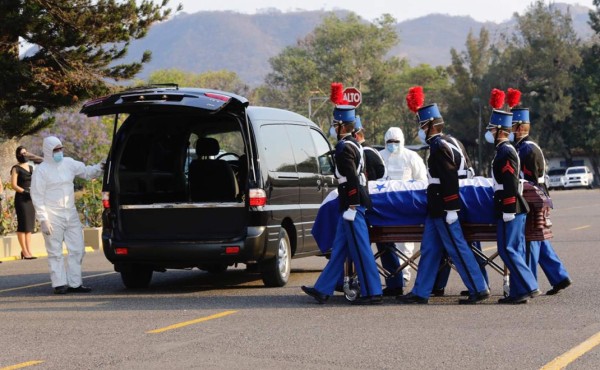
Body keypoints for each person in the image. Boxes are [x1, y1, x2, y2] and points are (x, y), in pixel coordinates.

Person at [396, 102, 490, 304]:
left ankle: (478, 287)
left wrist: (451, 208)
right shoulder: (452, 141)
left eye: (422, 126)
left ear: (430, 125)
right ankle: (421, 292)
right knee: (429, 248)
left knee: (456, 247)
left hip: (445, 206)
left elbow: (449, 179)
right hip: (437, 206)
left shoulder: (439, 147)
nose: (421, 131)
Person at [302, 105, 383, 305]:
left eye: (334, 125)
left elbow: (352, 179)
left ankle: (373, 292)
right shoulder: (355, 145)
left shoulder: (343, 147)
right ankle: (323, 288)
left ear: (340, 126)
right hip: (350, 202)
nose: (332, 128)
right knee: (339, 249)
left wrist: (352, 206)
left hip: (351, 204)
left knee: (361, 249)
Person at [30, 136, 104, 294]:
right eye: (55, 150)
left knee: (77, 249)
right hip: (52, 216)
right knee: (55, 251)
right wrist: (43, 219)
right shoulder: (41, 171)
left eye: (60, 149)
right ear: (48, 151)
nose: (59, 152)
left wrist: (101, 166)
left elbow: (87, 172)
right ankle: (59, 284)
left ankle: (75, 283)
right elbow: (37, 196)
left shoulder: (69, 163)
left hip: (70, 214)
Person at [511, 107, 572, 295]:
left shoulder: (527, 149)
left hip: (533, 198)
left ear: (520, 127)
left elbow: (528, 180)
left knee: (531, 240)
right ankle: (559, 276)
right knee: (540, 238)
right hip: (538, 196)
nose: (509, 130)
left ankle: (529, 283)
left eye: (511, 126)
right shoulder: (524, 147)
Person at [485, 109, 539, 304]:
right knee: (510, 249)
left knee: (508, 249)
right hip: (507, 206)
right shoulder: (503, 149)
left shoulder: (506, 151)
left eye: (492, 129)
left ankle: (529, 286)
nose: (489, 132)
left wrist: (508, 209)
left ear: (500, 130)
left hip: (511, 207)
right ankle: (518, 292)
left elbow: (509, 182)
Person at [379, 127, 427, 287]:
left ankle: (404, 275)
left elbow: (422, 181)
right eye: (390, 142)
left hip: (406, 207)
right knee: (387, 244)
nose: (393, 145)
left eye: (396, 142)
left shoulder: (412, 157)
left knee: (405, 244)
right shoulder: (380, 157)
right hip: (385, 206)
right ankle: (393, 276)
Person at [11, 146, 37, 259]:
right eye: (22, 153)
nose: (24, 155)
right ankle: (24, 251)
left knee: (29, 226)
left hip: (31, 198)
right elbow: (14, 185)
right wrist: (24, 191)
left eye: (26, 153)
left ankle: (28, 250)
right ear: (18, 155)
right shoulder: (15, 168)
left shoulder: (31, 167)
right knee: (23, 225)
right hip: (21, 199)